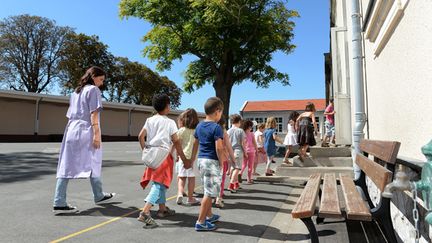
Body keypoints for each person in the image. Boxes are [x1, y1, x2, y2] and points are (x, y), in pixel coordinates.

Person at [53, 66, 115, 214]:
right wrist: (97, 134)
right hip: (86, 130)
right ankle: (98, 195)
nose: (101, 83)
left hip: (71, 130)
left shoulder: (76, 92)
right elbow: (93, 114)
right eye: (100, 79)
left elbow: (70, 115)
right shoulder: (93, 90)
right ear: (93, 77)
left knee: (66, 164)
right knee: (94, 161)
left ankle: (59, 200)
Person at [137, 94, 191, 229]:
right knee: (159, 185)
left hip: (151, 154)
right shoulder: (170, 122)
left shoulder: (150, 120)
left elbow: (140, 136)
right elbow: (176, 141)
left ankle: (162, 209)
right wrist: (184, 159)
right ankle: (145, 211)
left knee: (158, 182)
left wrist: (145, 150)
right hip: (163, 155)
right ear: (167, 106)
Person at [191, 97, 226, 231]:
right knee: (209, 193)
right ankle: (200, 221)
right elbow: (219, 148)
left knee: (207, 188)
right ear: (217, 111)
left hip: (201, 160)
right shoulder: (216, 127)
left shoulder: (199, 126)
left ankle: (209, 215)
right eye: (221, 112)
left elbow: (195, 144)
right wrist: (221, 162)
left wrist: (192, 159)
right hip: (211, 161)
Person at [175, 108, 200, 206]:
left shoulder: (181, 130)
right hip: (192, 158)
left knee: (181, 177)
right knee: (191, 178)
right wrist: (193, 158)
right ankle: (190, 198)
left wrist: (177, 156)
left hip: (183, 157)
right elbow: (196, 144)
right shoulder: (197, 131)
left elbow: (178, 145)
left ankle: (180, 193)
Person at [216, 116, 235, 208]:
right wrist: (231, 158)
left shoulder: (211, 130)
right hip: (222, 158)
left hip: (212, 158)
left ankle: (212, 195)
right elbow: (227, 146)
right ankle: (219, 196)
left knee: (212, 179)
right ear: (223, 123)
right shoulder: (223, 132)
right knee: (221, 178)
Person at [227, 114, 247, 192]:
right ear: (239, 121)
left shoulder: (228, 131)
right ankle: (231, 184)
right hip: (238, 151)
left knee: (233, 167)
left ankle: (236, 184)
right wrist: (245, 153)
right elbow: (243, 143)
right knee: (237, 168)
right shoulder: (240, 130)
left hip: (230, 152)